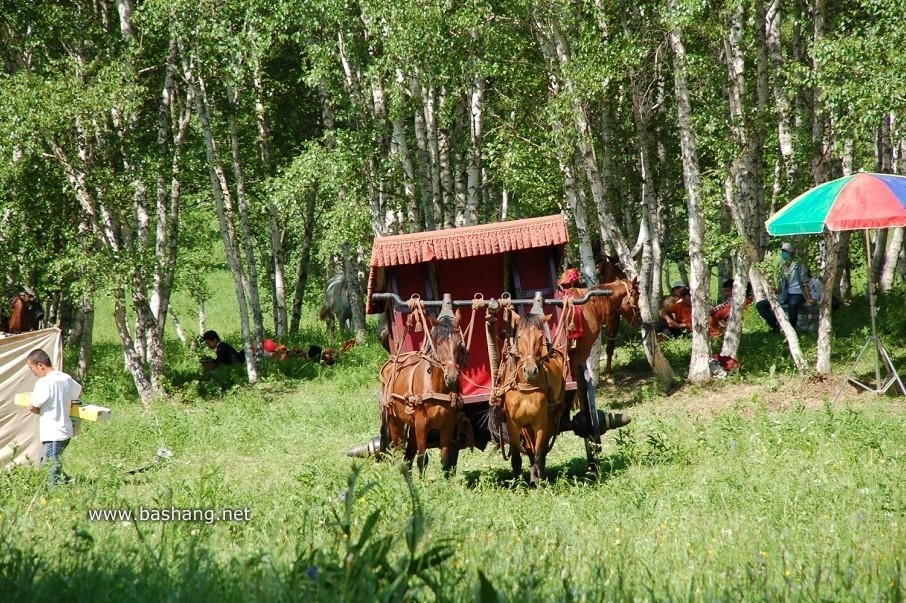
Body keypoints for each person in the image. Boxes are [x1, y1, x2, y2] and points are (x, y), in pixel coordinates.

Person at [25, 349, 83, 487]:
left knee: (50, 467)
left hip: (52, 432)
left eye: (31, 368)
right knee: (51, 462)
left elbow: (31, 406)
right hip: (65, 430)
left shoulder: (43, 383)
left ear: (40, 365)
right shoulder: (65, 378)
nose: (32, 372)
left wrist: (43, 410)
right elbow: (80, 392)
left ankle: (56, 492)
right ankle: (69, 483)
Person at [755, 242, 813, 332]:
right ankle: (776, 326)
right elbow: (778, 284)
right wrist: (773, 289)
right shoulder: (780, 265)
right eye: (782, 251)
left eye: (786, 252)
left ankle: (791, 330)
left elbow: (805, 283)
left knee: (792, 304)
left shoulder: (799, 265)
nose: (784, 254)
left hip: (797, 293)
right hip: (784, 294)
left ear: (791, 253)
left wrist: (809, 298)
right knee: (760, 305)